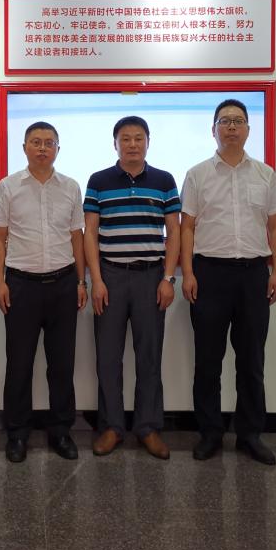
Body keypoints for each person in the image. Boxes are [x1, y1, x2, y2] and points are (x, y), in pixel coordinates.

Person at [181, 99, 276, 466]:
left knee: (252, 360)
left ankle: (250, 434)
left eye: (238, 121)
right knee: (208, 361)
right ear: (213, 130)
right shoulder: (197, 174)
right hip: (209, 274)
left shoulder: (265, 174)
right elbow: (187, 227)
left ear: (248, 130)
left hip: (253, 275)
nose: (231, 127)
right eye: (224, 121)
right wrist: (188, 273)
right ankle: (210, 433)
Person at [84, 115, 180, 460]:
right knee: (108, 357)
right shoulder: (98, 181)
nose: (132, 144)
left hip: (151, 278)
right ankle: (111, 427)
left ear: (148, 142)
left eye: (139, 138)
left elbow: (174, 232)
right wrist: (96, 280)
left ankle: (148, 427)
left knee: (149, 356)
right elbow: (90, 233)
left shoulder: (164, 181)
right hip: (110, 276)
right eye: (125, 139)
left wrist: (168, 279)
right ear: (115, 144)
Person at [0, 122, 87, 463]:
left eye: (49, 143)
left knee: (62, 364)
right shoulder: (8, 186)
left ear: (58, 149)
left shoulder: (71, 186)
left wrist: (81, 281)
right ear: (25, 147)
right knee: (19, 364)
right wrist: (0, 282)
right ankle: (17, 433)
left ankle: (60, 430)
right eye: (36, 142)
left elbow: (76, 236)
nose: (43, 148)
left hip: (63, 284)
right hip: (21, 286)